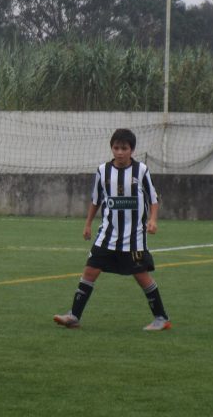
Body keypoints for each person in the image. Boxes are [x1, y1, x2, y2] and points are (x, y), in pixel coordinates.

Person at [53, 128, 172, 331]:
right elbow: (96, 199)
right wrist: (88, 224)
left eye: (124, 148)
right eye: (116, 148)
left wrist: (153, 220)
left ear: (131, 150)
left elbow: (153, 199)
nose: (119, 152)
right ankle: (73, 316)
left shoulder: (141, 170)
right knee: (90, 271)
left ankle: (161, 318)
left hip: (134, 236)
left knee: (141, 275)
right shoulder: (102, 170)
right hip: (107, 234)